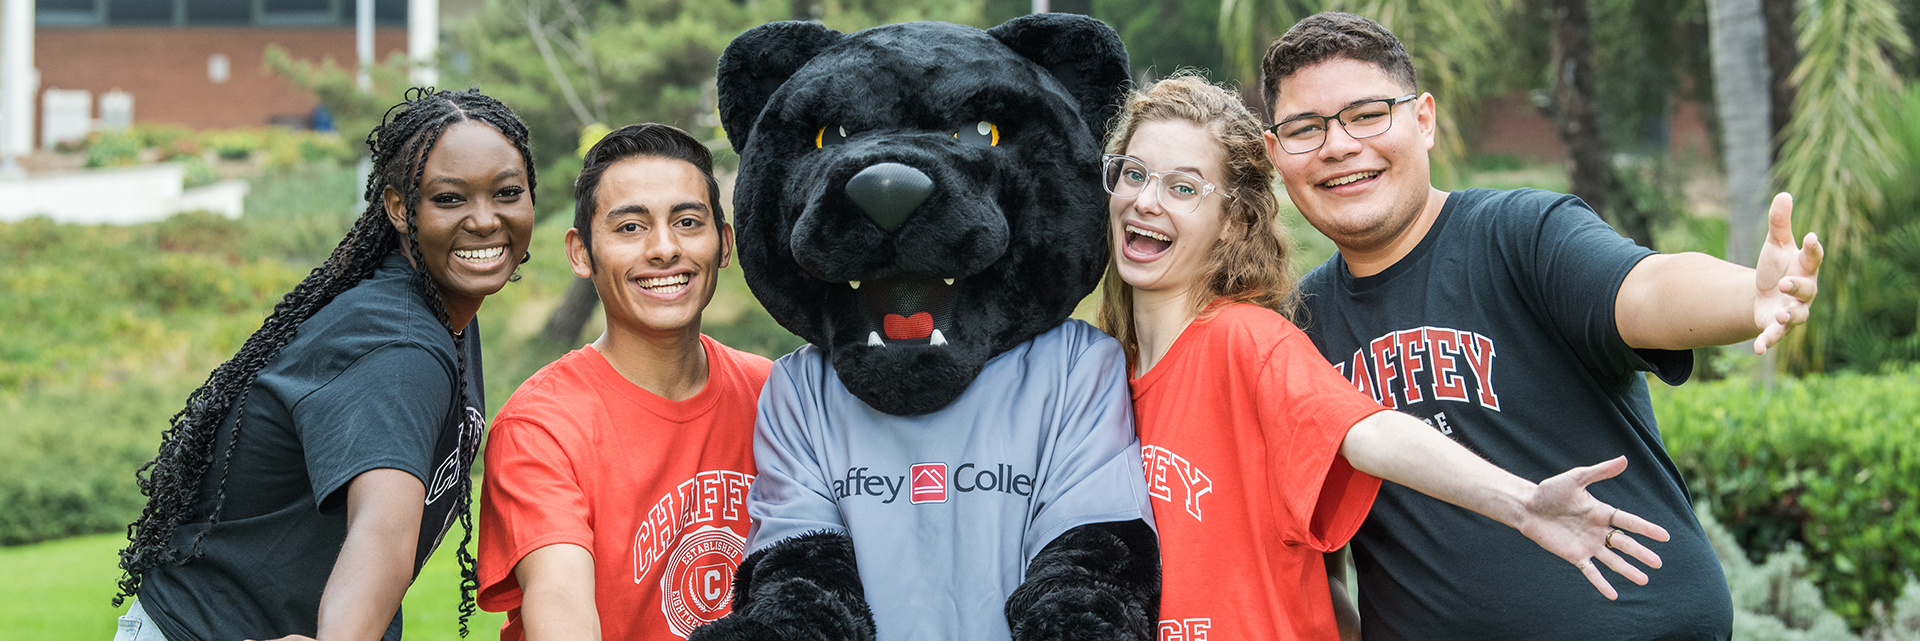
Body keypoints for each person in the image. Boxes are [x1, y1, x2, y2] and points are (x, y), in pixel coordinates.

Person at [1260, 12, 1823, 639]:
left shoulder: (1521, 235)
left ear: (1423, 120)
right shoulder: (1292, 332)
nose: (1339, 145)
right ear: (1275, 154)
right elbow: (1310, 559)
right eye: (1305, 129)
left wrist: (1748, 293)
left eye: (1366, 115)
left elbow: (1645, 289)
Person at [1096, 73, 1678, 641]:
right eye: (1134, 174)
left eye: (1183, 188)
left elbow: (1366, 431)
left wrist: (1523, 503)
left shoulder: (1245, 341)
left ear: (1232, 223)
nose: (1146, 201)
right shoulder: (1099, 376)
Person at [110, 88, 538, 641]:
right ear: (399, 208)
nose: (485, 221)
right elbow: (381, 528)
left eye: (507, 192)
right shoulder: (399, 346)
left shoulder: (441, 305)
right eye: (450, 199)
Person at [476, 123, 772, 641]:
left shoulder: (776, 397)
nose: (663, 249)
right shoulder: (541, 426)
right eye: (630, 228)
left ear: (724, 244)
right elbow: (560, 601)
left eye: (687, 221)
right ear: (581, 253)